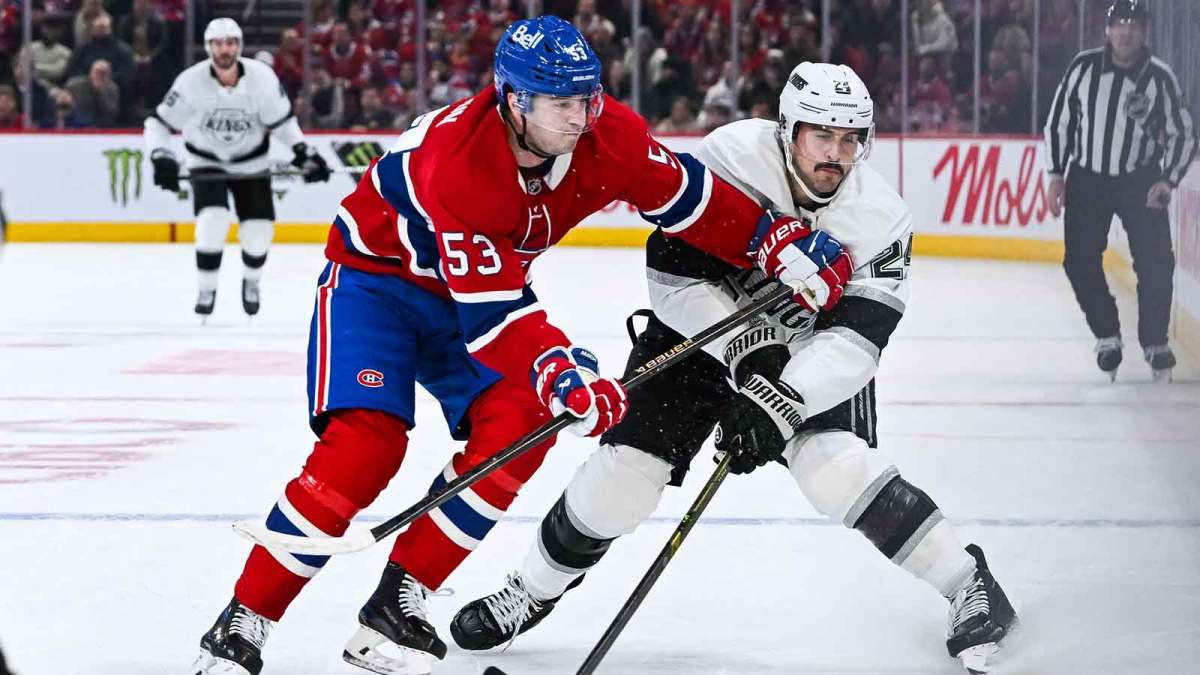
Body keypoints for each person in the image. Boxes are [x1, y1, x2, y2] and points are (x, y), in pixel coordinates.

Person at [189, 16, 837, 675]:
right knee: (365, 447)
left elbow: (688, 198)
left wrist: (769, 240)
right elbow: (495, 313)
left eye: (587, 97)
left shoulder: (606, 132)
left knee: (525, 419)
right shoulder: (456, 165)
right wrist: (558, 366)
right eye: (560, 103)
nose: (581, 117)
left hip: (469, 297)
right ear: (512, 99)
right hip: (377, 287)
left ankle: (398, 596)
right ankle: (244, 620)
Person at [450, 62, 1018, 675]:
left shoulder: (882, 217)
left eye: (851, 139)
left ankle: (968, 581)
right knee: (622, 477)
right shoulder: (732, 157)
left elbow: (858, 340)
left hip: (806, 355)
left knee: (836, 469)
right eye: (821, 136)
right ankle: (531, 589)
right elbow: (673, 279)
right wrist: (749, 354)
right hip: (701, 332)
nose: (836, 155)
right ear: (787, 129)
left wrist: (780, 397)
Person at [1045, 0, 1196, 382]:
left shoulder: (1159, 78)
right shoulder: (1083, 67)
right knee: (1078, 261)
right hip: (1088, 178)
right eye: (1120, 25)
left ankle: (1154, 342)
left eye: (1134, 25)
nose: (1126, 32)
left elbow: (1182, 133)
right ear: (1108, 31)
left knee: (1157, 263)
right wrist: (1056, 174)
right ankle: (1108, 335)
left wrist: (1168, 180)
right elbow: (1060, 123)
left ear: (1145, 31)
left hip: (1140, 180)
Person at [143, 18, 331, 320]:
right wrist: (161, 155)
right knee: (212, 221)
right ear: (208, 47)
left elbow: (282, 124)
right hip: (205, 161)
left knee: (258, 231)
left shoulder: (262, 79)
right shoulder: (190, 82)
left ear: (239, 46)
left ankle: (251, 282)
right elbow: (158, 123)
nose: (224, 49)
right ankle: (207, 288)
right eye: (218, 43)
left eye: (230, 43)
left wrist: (303, 152)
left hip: (252, 162)